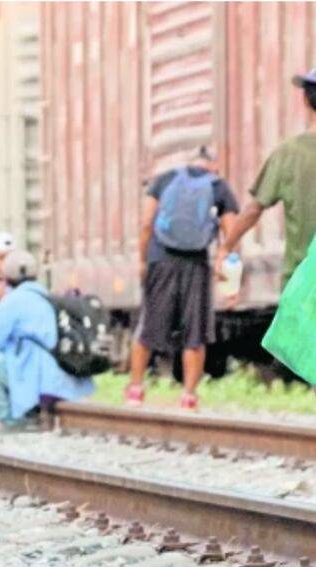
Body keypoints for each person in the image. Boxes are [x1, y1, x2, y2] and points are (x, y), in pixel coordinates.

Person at [124, 147, 239, 410]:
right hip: (195, 263)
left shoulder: (165, 179)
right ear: (214, 166)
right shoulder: (219, 187)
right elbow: (231, 237)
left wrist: (142, 258)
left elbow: (146, 222)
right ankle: (188, 395)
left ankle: (135, 389)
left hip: (159, 259)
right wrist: (229, 281)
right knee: (194, 332)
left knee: (148, 324)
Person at [216, 67, 316, 299]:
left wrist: (226, 246)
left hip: (302, 285)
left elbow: (253, 210)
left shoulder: (288, 154)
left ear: (305, 100)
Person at [0, 250, 94, 428]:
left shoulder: (13, 301)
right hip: (66, 378)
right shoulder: (48, 296)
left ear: (6, 277)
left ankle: (12, 420)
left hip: (39, 380)